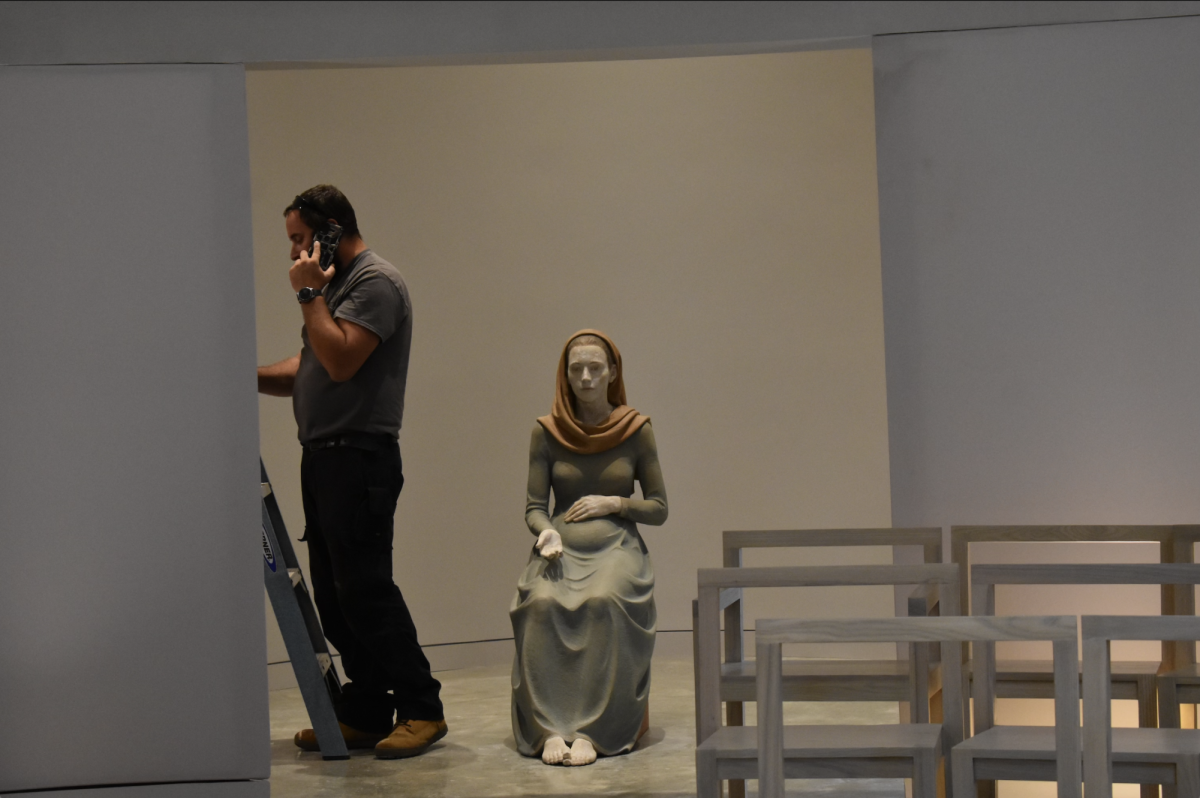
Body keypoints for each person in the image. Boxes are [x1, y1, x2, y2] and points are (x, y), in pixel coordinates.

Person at [257, 185, 446, 759]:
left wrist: (309, 292)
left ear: (331, 230)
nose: (293, 254)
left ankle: (422, 708)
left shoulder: (374, 282)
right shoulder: (336, 288)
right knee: (335, 597)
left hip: (360, 458)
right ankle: (366, 708)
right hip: (323, 457)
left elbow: (340, 360)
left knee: (366, 590)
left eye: (298, 239)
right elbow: (311, 364)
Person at [510, 329, 668, 766]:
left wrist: (615, 502)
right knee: (539, 603)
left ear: (612, 372)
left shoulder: (636, 430)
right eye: (576, 369)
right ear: (565, 374)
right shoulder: (546, 432)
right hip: (563, 550)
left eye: (595, 368)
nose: (585, 377)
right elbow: (534, 507)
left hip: (617, 548)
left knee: (604, 601)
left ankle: (597, 728)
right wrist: (547, 532)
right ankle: (548, 730)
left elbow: (659, 508)